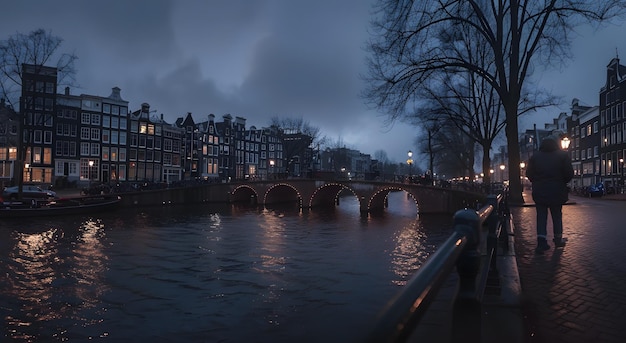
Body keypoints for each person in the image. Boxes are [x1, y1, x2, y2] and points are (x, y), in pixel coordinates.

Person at [525, 135, 574, 254]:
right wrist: (561, 181)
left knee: (541, 216)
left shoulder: (535, 157)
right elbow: (569, 173)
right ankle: (558, 239)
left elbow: (529, 173)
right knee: (557, 215)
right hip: (557, 190)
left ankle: (541, 242)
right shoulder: (562, 155)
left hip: (540, 191)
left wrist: (536, 181)